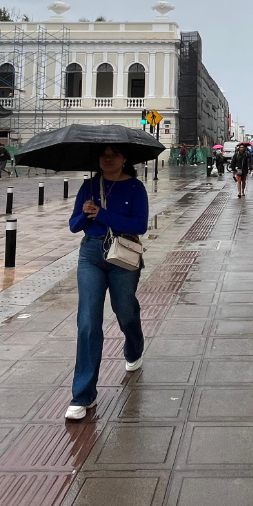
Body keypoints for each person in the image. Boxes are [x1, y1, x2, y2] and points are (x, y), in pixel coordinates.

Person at [65, 145, 149, 421]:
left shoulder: (135, 188)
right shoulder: (89, 185)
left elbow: (139, 225)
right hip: (91, 254)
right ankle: (83, 394)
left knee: (125, 309)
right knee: (88, 320)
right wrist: (85, 212)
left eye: (114, 155)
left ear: (124, 159)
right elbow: (75, 225)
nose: (108, 159)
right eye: (103, 155)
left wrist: (101, 214)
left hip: (123, 253)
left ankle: (134, 345)